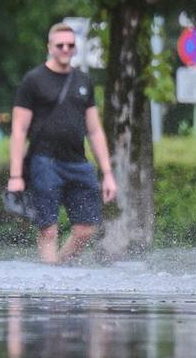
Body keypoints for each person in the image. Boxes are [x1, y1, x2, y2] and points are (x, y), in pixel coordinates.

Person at [7, 22, 118, 263]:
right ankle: (50, 290)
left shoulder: (83, 81)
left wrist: (107, 173)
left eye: (70, 45)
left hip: (78, 162)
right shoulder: (33, 80)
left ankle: (56, 272)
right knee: (48, 230)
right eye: (60, 45)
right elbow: (18, 129)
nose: (65, 49)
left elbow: (95, 130)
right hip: (44, 161)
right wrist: (15, 176)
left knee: (86, 228)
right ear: (50, 47)